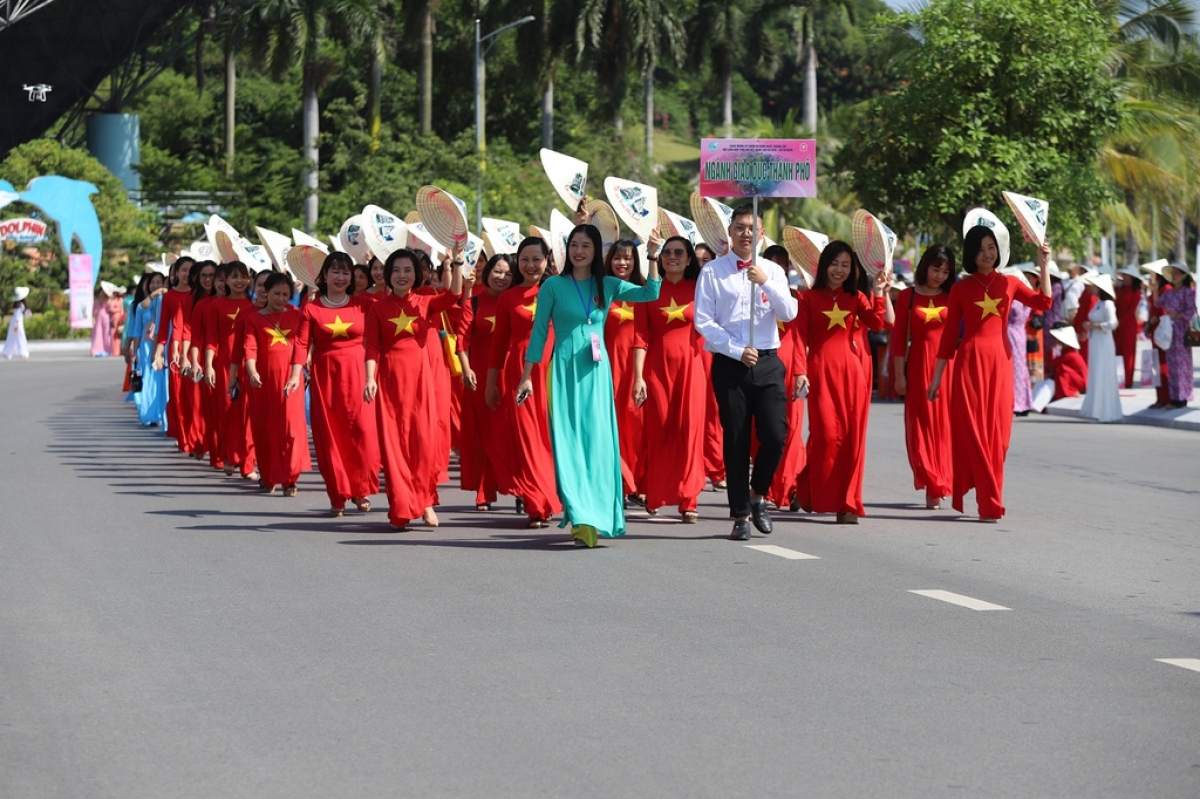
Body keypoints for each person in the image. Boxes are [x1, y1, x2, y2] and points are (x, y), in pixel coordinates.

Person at [515, 224, 662, 547]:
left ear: (597, 252)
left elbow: (651, 293)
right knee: (568, 446)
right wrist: (527, 375)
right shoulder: (553, 285)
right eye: (574, 245)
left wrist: (652, 255)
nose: (579, 251)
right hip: (563, 371)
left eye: (587, 246)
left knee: (597, 445)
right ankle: (580, 516)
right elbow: (539, 333)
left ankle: (598, 514)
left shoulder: (607, 284)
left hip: (596, 374)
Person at [928, 227, 1052, 522]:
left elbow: (1043, 303)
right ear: (972, 254)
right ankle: (990, 502)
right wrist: (936, 378)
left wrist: (1044, 264)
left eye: (992, 247)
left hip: (1000, 364)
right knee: (976, 433)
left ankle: (988, 493)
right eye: (981, 249)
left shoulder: (1009, 283)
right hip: (969, 364)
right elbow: (948, 338)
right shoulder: (960, 289)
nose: (988, 254)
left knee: (1000, 438)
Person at [694, 204, 798, 540]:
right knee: (736, 439)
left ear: (762, 233)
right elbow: (703, 321)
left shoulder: (773, 271)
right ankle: (739, 513)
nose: (745, 234)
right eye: (739, 228)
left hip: (768, 360)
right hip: (731, 363)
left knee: (775, 434)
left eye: (752, 228)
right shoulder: (712, 271)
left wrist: (765, 282)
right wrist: (736, 350)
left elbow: (790, 312)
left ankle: (758, 495)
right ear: (730, 232)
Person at [364, 248, 464, 530]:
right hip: (390, 384)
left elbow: (454, 295)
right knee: (394, 447)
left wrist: (455, 263)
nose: (401, 276)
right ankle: (401, 505)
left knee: (423, 444)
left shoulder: (425, 301)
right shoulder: (377, 308)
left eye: (408, 270)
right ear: (388, 274)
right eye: (396, 270)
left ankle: (425, 502)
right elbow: (371, 347)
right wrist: (370, 379)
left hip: (421, 383)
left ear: (416, 274)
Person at [793, 241, 887, 523]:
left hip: (853, 373)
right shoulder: (807, 298)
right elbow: (799, 338)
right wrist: (800, 372)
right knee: (825, 437)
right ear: (824, 266)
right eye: (835, 264)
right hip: (821, 372)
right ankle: (808, 489)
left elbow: (877, 323)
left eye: (846, 265)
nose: (840, 270)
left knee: (851, 440)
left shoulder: (856, 297)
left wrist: (879, 294)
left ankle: (848, 503)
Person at [485, 237, 562, 528]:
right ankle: (536, 503)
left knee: (550, 438)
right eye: (525, 259)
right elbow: (498, 344)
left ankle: (551, 495)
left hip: (554, 370)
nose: (531, 265)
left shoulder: (557, 290)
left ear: (547, 261)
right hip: (519, 374)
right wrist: (491, 383)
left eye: (537, 259)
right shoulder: (508, 298)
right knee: (528, 439)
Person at [296, 252, 379, 516]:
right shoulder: (311, 307)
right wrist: (293, 375)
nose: (341, 277)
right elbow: (300, 344)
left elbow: (376, 340)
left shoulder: (363, 304)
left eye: (346, 273)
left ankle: (361, 489)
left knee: (363, 434)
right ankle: (337, 495)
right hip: (326, 377)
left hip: (359, 374)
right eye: (335, 272)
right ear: (324, 276)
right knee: (330, 436)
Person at [632, 235, 704, 523]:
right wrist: (638, 377)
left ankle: (689, 499)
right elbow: (641, 336)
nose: (672, 256)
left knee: (689, 432)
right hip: (657, 370)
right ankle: (657, 492)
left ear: (689, 260)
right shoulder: (648, 292)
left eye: (679, 252)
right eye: (667, 252)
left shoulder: (700, 289)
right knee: (659, 431)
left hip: (693, 368)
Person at [890, 245, 956, 509]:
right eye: (935, 269)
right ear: (925, 266)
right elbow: (898, 341)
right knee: (920, 426)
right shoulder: (908, 297)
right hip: (918, 366)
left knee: (944, 426)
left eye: (945, 271)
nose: (939, 275)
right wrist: (899, 376)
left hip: (948, 368)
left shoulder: (954, 296)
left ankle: (940, 482)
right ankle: (930, 479)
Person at [243, 271, 311, 496]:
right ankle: (269, 475)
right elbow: (250, 348)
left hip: (292, 378)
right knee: (266, 428)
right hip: (263, 381)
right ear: (265, 292)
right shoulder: (254, 318)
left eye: (285, 294)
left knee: (291, 428)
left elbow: (302, 344)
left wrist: (298, 372)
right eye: (276, 293)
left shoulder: (296, 314)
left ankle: (290, 477)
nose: (281, 298)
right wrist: (251, 371)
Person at [458, 253, 514, 511]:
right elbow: (462, 341)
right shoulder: (474, 303)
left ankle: (518, 487)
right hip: (480, 376)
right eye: (497, 272)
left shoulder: (516, 302)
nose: (502, 277)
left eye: (508, 273)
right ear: (487, 272)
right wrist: (466, 369)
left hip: (510, 373)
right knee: (485, 434)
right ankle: (484, 492)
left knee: (510, 433)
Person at [602, 240, 647, 506]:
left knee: (637, 427)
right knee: (613, 426)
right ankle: (620, 480)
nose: (622, 263)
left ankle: (638, 483)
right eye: (617, 258)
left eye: (628, 258)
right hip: (608, 368)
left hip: (638, 369)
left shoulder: (644, 292)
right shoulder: (601, 289)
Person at [203, 262, 257, 479]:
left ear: (249, 279)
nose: (238, 281)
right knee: (227, 411)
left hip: (249, 363)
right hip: (224, 363)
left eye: (242, 277)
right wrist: (208, 365)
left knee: (248, 414)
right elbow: (212, 339)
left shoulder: (254, 306)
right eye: (234, 277)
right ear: (225, 280)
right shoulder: (216, 305)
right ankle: (228, 454)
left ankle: (248, 463)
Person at [153, 257, 198, 454]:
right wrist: (158, 354)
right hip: (176, 352)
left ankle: (195, 435)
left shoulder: (199, 295)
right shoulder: (169, 297)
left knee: (194, 397)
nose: (186, 274)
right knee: (178, 396)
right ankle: (182, 436)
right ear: (176, 273)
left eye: (190, 270)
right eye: (183, 270)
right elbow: (163, 328)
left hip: (196, 349)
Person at [1079, 272, 1122, 423]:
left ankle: (1105, 410)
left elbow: (1113, 323)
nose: (1093, 288)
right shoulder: (1098, 303)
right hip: (1096, 340)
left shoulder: (1108, 304)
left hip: (1104, 342)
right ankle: (1095, 408)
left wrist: (1094, 325)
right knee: (1096, 372)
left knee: (1103, 372)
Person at [1157, 263, 1196, 408]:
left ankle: (1182, 397)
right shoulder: (1169, 293)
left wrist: (1177, 315)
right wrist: (1155, 289)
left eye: (1176, 273)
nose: (1173, 276)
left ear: (1183, 276)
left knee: (1182, 366)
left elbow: (1190, 313)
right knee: (1172, 365)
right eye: (1172, 273)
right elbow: (1158, 303)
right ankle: (1174, 397)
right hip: (1169, 332)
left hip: (1181, 332)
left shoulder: (1188, 292)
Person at [1113, 265, 1143, 389]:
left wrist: (1120, 321)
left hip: (1129, 324)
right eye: (1124, 275)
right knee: (1118, 351)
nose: (1124, 277)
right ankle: (1118, 378)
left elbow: (1132, 310)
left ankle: (1128, 380)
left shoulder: (1136, 291)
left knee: (1128, 352)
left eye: (1126, 275)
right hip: (1118, 324)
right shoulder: (1120, 289)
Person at [1049, 324, 1087, 399]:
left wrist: (1051, 350)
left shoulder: (1070, 354)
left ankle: (1070, 392)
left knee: (1062, 368)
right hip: (1078, 379)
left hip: (1081, 382)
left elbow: (1053, 364)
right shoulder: (1067, 351)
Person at [3, 286, 31, 360]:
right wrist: (17, 324)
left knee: (13, 337)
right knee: (20, 336)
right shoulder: (18, 304)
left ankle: (8, 353)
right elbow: (17, 315)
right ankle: (23, 353)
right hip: (17, 322)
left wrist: (28, 314)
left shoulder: (20, 303)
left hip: (16, 321)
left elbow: (26, 312)